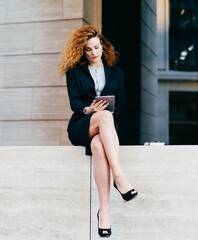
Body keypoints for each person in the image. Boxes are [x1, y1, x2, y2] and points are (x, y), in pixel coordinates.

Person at [59, 25, 138, 238]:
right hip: (81, 125)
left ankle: (104, 212)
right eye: (88, 49)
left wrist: (109, 107)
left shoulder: (116, 73)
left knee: (97, 145)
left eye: (96, 47)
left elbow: (120, 102)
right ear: (82, 51)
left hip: (105, 129)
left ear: (102, 46)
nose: (93, 52)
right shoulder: (74, 72)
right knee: (103, 116)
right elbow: (74, 101)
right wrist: (88, 109)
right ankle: (119, 176)